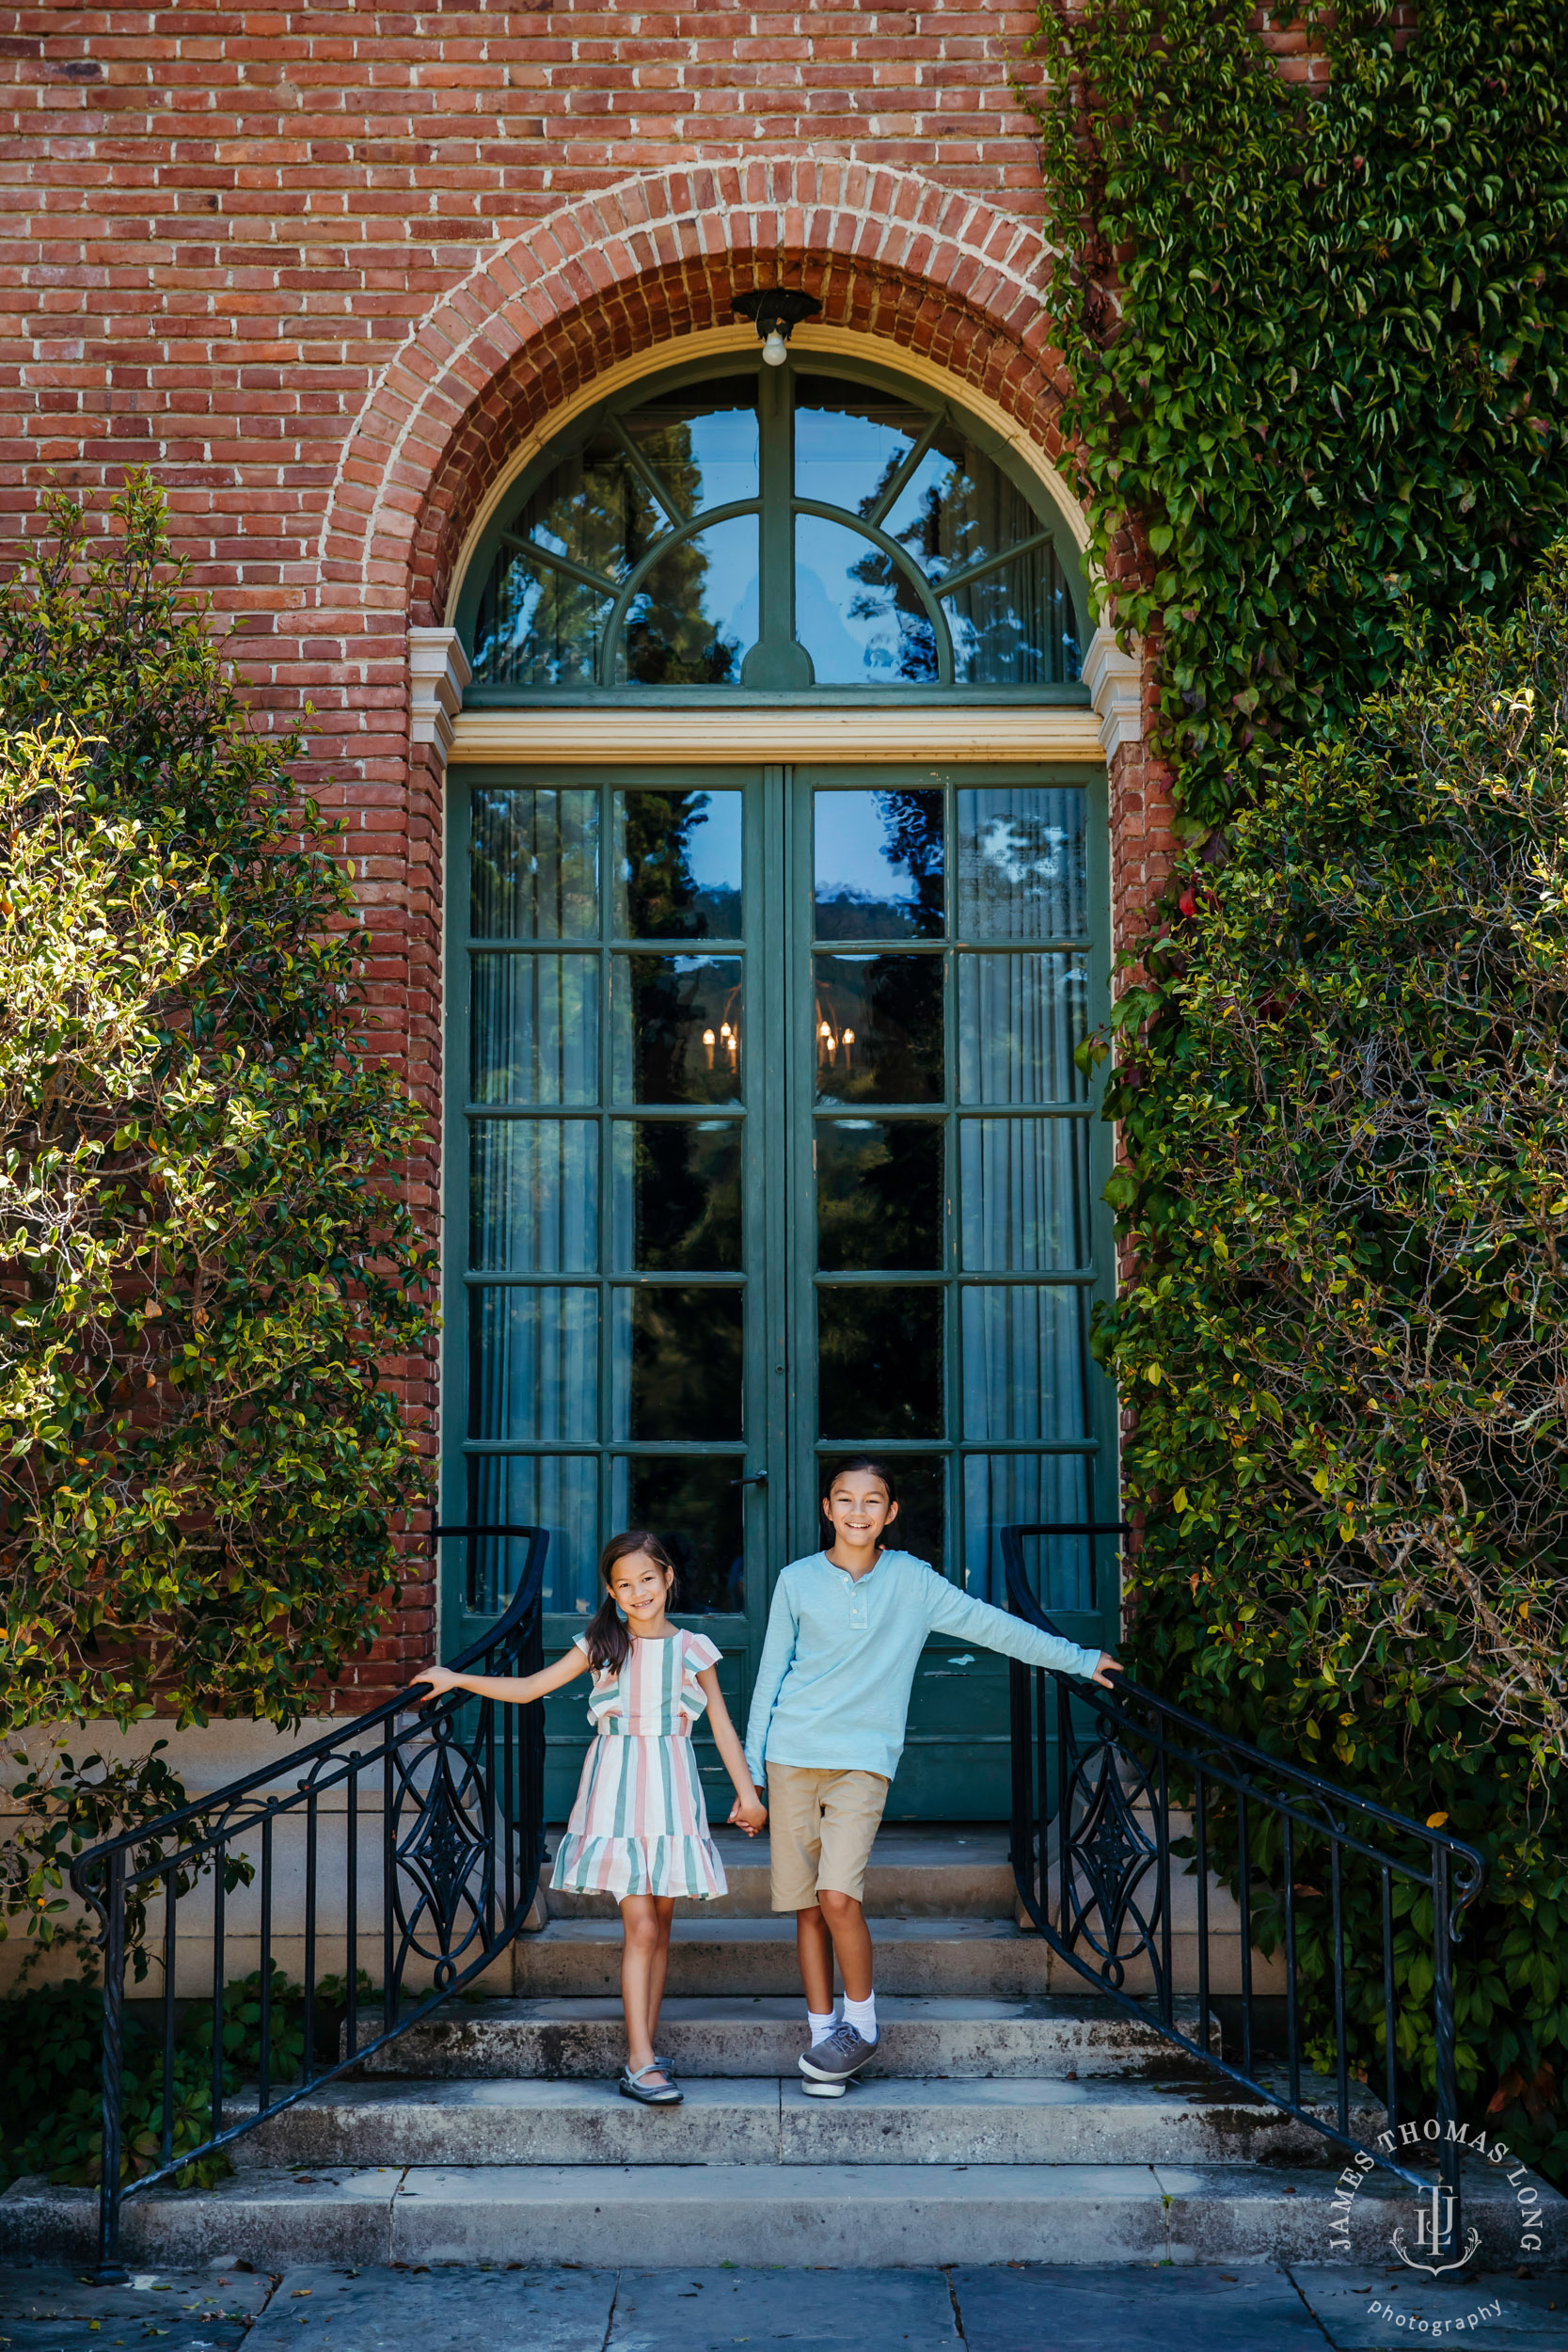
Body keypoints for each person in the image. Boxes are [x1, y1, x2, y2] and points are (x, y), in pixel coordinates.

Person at [743, 1457, 1123, 2096]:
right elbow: (769, 1676)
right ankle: (823, 2041)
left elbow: (991, 1625)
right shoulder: (796, 1581)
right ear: (826, 1510)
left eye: (872, 1501)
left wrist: (1079, 1658)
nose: (857, 1512)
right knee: (805, 1910)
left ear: (889, 1513)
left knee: (838, 1897)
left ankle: (860, 2027)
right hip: (790, 1754)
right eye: (844, 1500)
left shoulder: (912, 1582)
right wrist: (751, 1777)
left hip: (862, 1759)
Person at [409, 1529, 766, 2108]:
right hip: (616, 1796)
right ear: (611, 1590)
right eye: (625, 1584)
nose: (638, 1591)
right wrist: (456, 1679)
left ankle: (644, 2048)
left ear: (668, 1578)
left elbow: (722, 1726)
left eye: (648, 1579)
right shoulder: (602, 1644)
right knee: (642, 1928)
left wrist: (748, 1795)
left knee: (663, 1927)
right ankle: (641, 2060)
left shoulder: (694, 1649)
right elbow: (530, 1688)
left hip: (673, 1794)